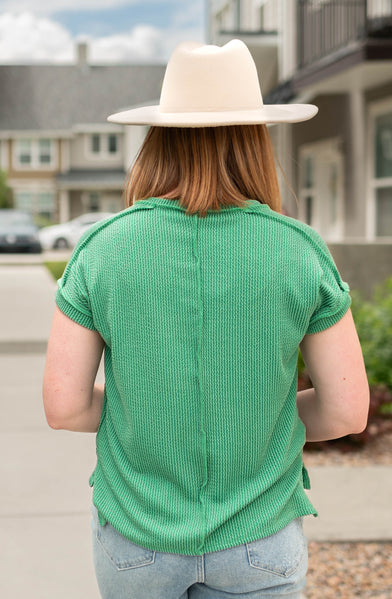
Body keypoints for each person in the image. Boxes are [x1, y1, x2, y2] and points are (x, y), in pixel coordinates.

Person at [43, 40, 369, 599]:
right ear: (255, 139)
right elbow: (345, 412)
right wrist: (258, 423)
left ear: (159, 138)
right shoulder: (299, 251)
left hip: (137, 541)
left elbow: (65, 407)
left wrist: (143, 417)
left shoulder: (101, 248)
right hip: (258, 541)